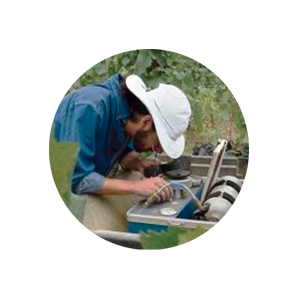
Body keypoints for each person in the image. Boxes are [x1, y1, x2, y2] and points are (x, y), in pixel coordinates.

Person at [53, 74, 191, 230]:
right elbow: (76, 180)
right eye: (158, 143)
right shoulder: (90, 108)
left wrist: (133, 161)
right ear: (146, 122)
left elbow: (115, 143)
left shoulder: (126, 116)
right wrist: (136, 186)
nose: (158, 150)